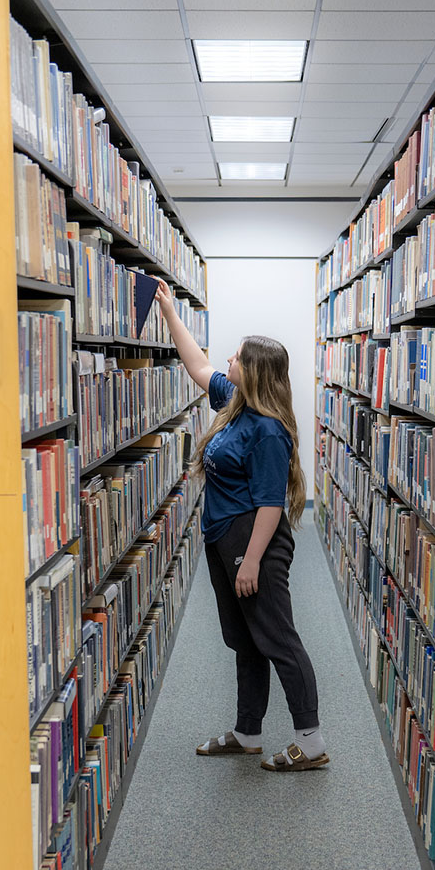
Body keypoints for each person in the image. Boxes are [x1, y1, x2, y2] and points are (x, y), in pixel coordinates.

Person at [154, 280, 327, 772]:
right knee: (245, 639)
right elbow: (196, 365)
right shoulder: (236, 403)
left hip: (254, 544)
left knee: (278, 639)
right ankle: (248, 732)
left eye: (236, 357)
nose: (227, 360)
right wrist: (168, 312)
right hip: (223, 538)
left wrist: (250, 561)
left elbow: (271, 504)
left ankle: (311, 741)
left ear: (253, 372)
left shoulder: (268, 430)